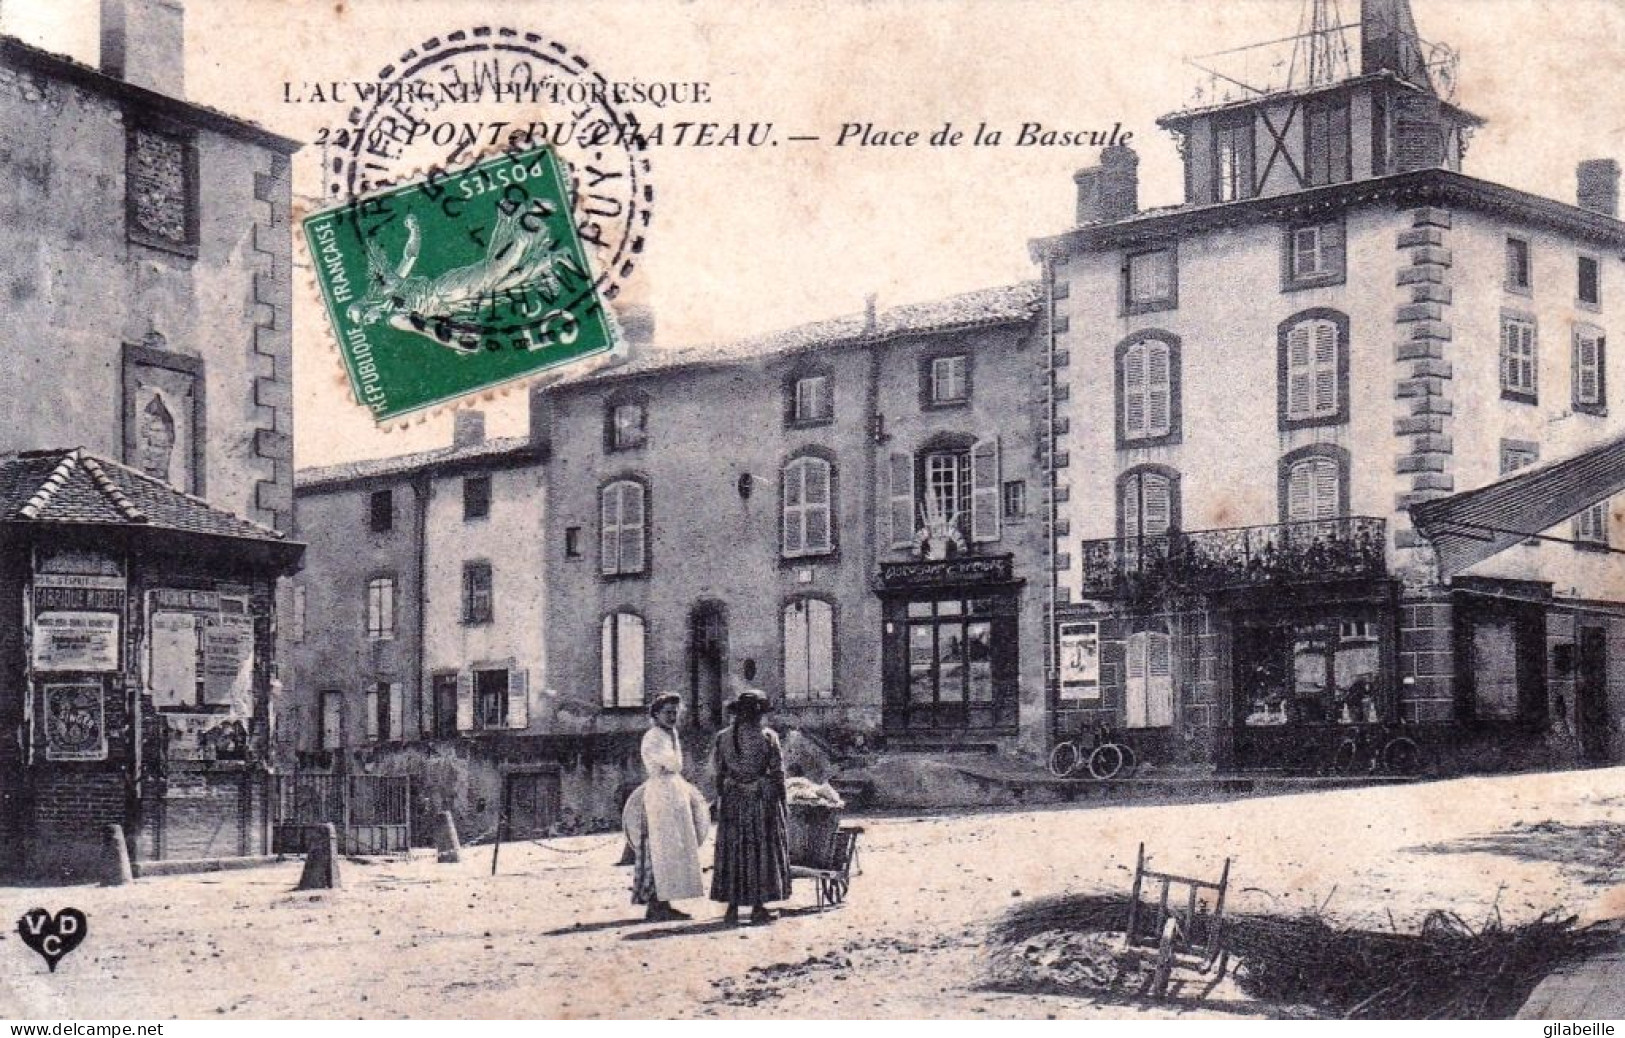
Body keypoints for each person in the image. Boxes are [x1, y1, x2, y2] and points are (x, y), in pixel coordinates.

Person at [623, 693, 709, 922]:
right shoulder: (654, 737)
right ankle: (656, 903)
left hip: (672, 791)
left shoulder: (670, 735)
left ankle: (664, 901)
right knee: (659, 848)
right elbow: (674, 763)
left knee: (672, 849)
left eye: (675, 713)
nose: (672, 717)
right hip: (661, 793)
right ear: (656, 714)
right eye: (668, 713)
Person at [710, 689, 793, 926]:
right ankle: (758, 907)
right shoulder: (768, 736)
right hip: (759, 803)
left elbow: (718, 775)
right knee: (760, 853)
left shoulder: (722, 737)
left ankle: (732, 909)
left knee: (733, 853)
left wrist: (723, 797)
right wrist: (782, 804)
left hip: (733, 804)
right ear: (759, 714)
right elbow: (778, 774)